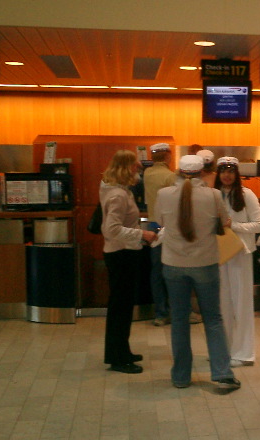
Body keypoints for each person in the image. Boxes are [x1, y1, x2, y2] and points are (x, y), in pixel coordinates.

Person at [154, 154, 241, 391]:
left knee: (179, 320)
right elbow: (225, 223)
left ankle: (181, 376)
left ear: (178, 172)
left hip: (173, 263)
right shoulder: (213, 195)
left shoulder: (164, 195)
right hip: (205, 264)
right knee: (213, 319)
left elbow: (159, 221)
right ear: (203, 172)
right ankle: (222, 373)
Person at [100, 150, 157, 374]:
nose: (138, 169)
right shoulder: (118, 195)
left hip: (122, 252)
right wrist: (142, 235)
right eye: (135, 166)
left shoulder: (117, 189)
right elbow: (111, 229)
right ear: (125, 168)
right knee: (120, 308)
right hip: (120, 254)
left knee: (121, 307)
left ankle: (122, 351)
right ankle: (117, 358)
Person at [214, 157, 260, 367]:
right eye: (223, 171)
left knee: (242, 304)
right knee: (222, 304)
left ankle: (244, 353)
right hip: (219, 254)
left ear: (236, 173)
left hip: (241, 253)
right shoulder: (214, 195)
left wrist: (234, 225)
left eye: (231, 171)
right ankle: (223, 350)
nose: (227, 175)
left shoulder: (246, 194)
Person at [143, 143, 176, 327]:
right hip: (168, 229)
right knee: (172, 271)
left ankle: (160, 314)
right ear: (168, 157)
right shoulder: (170, 176)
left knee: (156, 272)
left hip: (152, 226)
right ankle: (178, 311)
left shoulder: (147, 174)